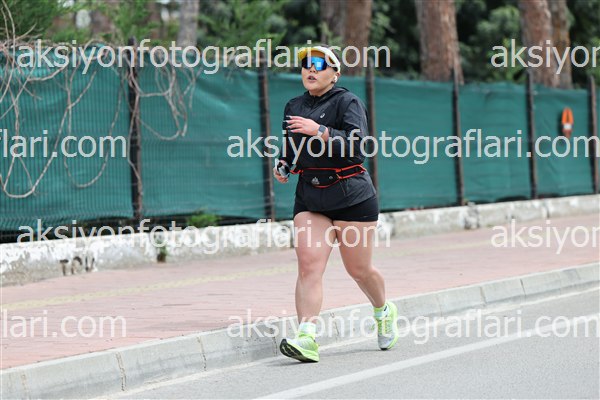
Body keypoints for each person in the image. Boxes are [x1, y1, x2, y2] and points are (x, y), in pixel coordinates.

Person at [273, 45, 399, 363]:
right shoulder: (294, 105)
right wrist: (284, 164)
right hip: (311, 197)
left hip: (352, 197)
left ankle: (383, 310)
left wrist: (321, 131)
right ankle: (306, 337)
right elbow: (292, 147)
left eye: (319, 64)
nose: (310, 69)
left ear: (335, 73)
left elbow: (359, 146)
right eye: (306, 63)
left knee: (358, 270)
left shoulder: (347, 102)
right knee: (309, 266)